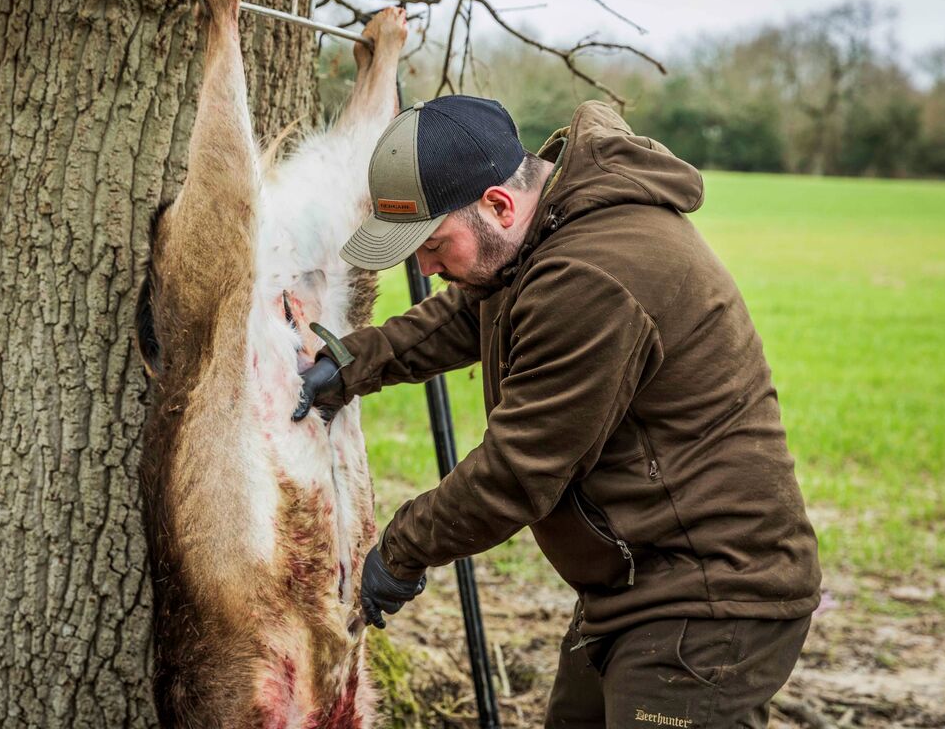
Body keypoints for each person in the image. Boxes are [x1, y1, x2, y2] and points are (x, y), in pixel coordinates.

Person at [291, 95, 822, 728]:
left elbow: (517, 471)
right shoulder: (541, 234)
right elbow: (470, 310)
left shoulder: (593, 276)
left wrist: (398, 554)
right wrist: (350, 362)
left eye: (432, 245)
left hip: (711, 600)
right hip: (632, 586)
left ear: (498, 205)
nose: (426, 269)